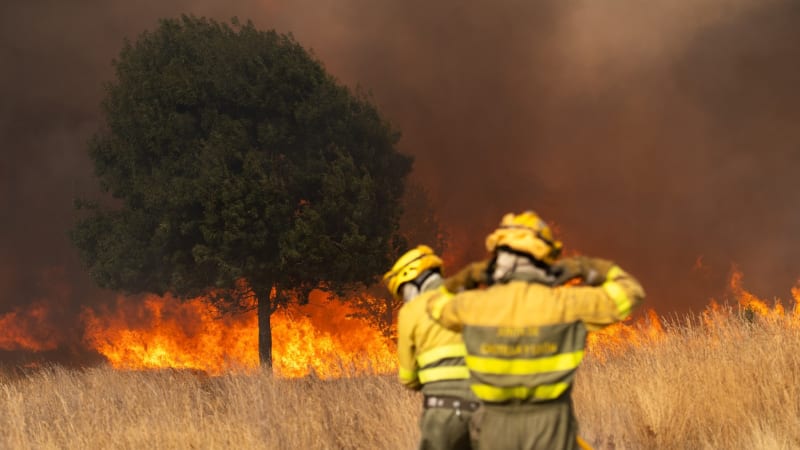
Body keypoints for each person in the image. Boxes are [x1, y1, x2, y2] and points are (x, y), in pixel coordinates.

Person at [427, 211, 645, 450]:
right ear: (544, 257)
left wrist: (470, 275)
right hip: (551, 430)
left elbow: (434, 304)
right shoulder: (566, 304)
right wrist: (584, 267)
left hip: (494, 431)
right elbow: (631, 291)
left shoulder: (475, 306)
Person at [384, 245, 481, 450]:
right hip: (487, 408)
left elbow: (408, 378)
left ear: (413, 279)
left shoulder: (411, 311)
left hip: (443, 412)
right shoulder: (469, 297)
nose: (405, 300)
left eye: (403, 292)